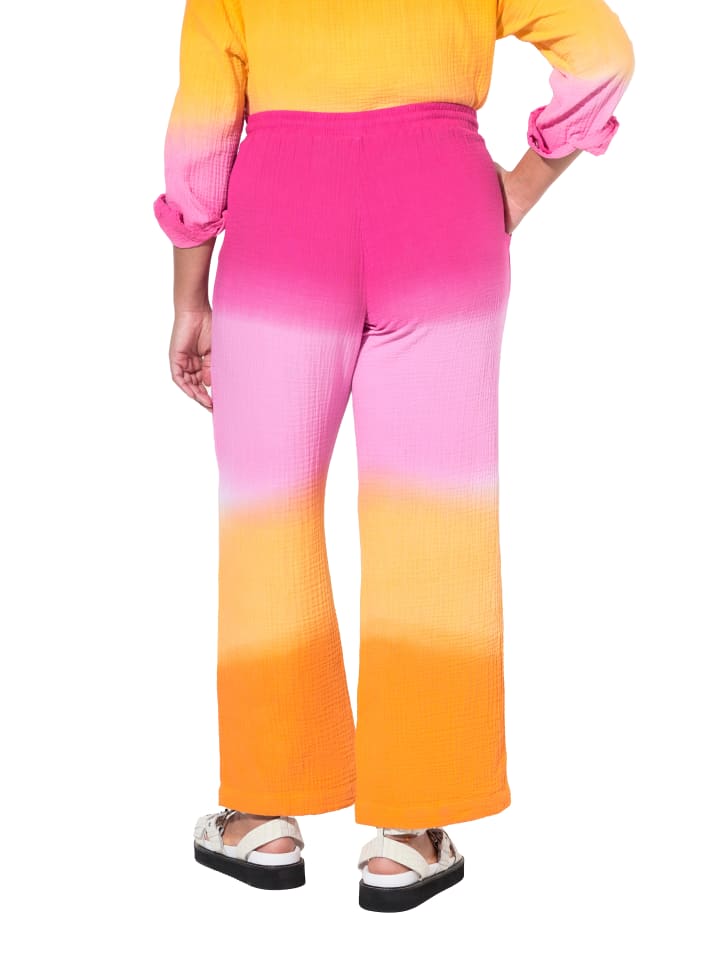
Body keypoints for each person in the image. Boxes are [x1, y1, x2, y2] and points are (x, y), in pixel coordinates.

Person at [152, 0, 634, 912]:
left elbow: (203, 130)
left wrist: (188, 296)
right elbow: (603, 52)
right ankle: (412, 829)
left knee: (268, 511)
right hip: (442, 211)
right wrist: (524, 186)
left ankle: (264, 810)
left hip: (282, 223)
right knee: (433, 517)